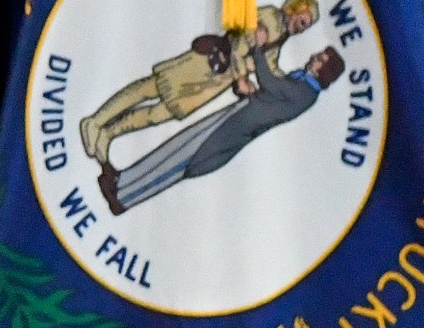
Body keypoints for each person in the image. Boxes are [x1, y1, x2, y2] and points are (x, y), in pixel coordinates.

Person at [100, 45, 346, 213]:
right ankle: (123, 180)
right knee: (177, 146)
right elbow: (271, 98)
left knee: (178, 163)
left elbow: (271, 85)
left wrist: (258, 50)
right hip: (236, 116)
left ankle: (124, 198)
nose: (316, 57)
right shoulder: (300, 79)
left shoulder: (306, 93)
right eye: (320, 55)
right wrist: (251, 91)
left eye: (322, 59)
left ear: (325, 71)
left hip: (233, 132)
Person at [80, 0, 318, 163]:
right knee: (150, 88)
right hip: (206, 64)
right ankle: (96, 121)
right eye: (303, 21)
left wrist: (284, 81)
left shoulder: (282, 34)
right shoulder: (268, 17)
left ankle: (108, 134)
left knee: (160, 114)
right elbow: (238, 45)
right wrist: (241, 79)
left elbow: (269, 64)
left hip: (215, 82)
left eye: (306, 26)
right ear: (295, 9)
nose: (302, 27)